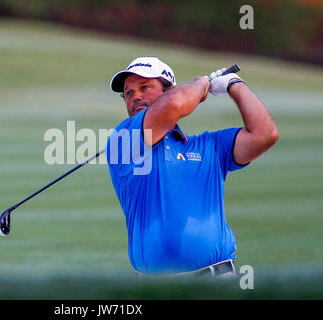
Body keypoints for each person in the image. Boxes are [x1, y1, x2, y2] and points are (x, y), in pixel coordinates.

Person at [105, 57, 279, 277]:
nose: (135, 96)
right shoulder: (123, 140)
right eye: (128, 93)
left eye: (144, 87)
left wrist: (234, 84)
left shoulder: (210, 146)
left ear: (169, 91)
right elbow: (176, 104)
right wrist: (200, 84)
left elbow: (265, 135)